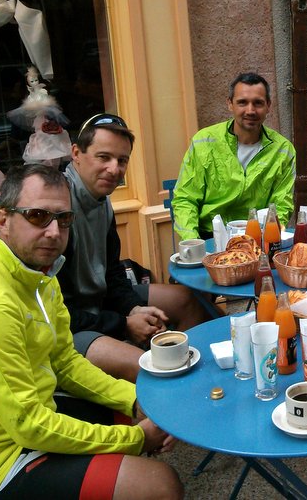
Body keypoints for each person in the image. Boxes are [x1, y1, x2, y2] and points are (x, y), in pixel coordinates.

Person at [0, 164, 183, 499]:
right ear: (3, 221)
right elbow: (29, 424)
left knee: (132, 410)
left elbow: (64, 361)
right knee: (161, 485)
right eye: (37, 216)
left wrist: (134, 400)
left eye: (63, 219)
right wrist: (136, 439)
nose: (53, 231)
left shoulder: (37, 274)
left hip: (30, 420)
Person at [58, 113, 208, 383]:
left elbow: (113, 272)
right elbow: (56, 310)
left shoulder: (100, 200)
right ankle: (159, 414)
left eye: (122, 160)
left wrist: (135, 309)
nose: (114, 169)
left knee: (188, 300)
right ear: (76, 153)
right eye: (103, 157)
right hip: (63, 327)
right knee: (148, 366)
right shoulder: (57, 207)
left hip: (98, 303)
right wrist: (123, 322)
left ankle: (194, 384)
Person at [172, 72, 296, 240]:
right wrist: (193, 243)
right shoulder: (204, 142)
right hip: (209, 236)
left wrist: (270, 239)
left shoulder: (283, 149)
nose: (250, 110)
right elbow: (185, 199)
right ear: (230, 104)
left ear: (268, 105)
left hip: (257, 238)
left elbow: (281, 206)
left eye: (258, 103)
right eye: (242, 102)